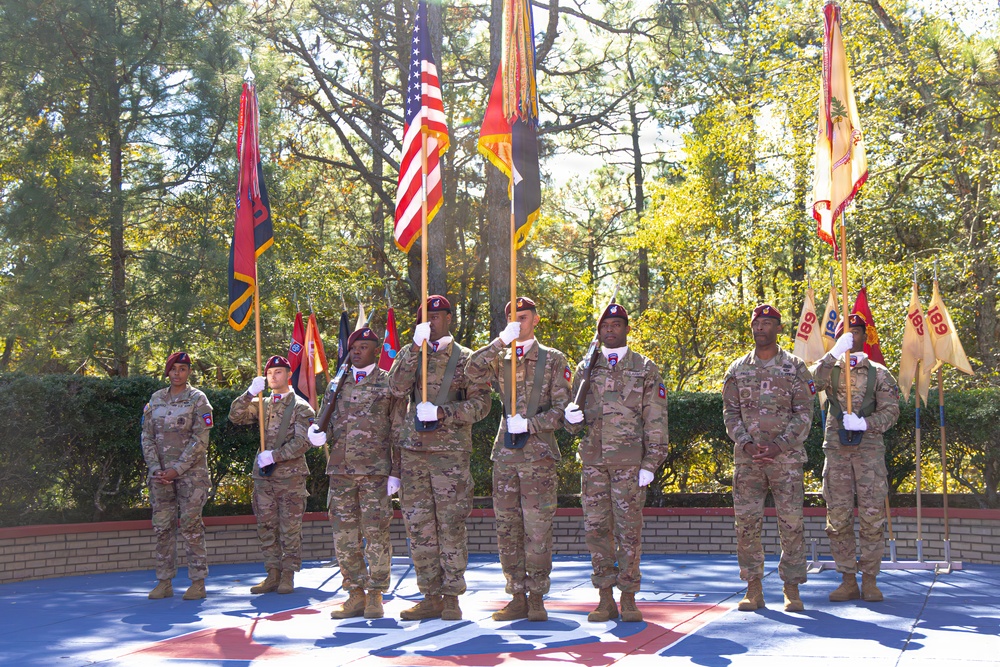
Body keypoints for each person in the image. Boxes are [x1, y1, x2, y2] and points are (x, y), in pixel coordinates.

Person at [466, 297, 572, 622]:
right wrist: (501, 340)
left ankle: (537, 596)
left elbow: (564, 412)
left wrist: (532, 423)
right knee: (507, 528)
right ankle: (516, 596)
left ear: (536, 320)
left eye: (524, 317)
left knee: (537, 530)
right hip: (506, 457)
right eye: (513, 317)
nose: (520, 322)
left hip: (538, 457)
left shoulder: (553, 360)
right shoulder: (501, 358)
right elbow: (469, 369)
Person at [387, 295, 492, 621]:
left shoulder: (467, 360)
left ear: (449, 318)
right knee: (418, 528)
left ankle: (451, 597)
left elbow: (482, 405)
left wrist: (444, 412)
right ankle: (430, 595)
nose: (432, 321)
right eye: (426, 316)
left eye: (438, 315)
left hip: (449, 456)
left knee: (450, 526)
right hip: (414, 455)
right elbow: (395, 387)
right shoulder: (411, 353)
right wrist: (413, 350)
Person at [563, 303, 669, 623]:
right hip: (594, 461)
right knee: (597, 531)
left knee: (629, 532)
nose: (610, 329)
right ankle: (605, 598)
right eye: (605, 325)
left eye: (616, 324)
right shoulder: (586, 368)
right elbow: (572, 420)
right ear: (599, 331)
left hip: (628, 464)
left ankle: (629, 596)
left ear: (626, 329)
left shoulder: (644, 368)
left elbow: (656, 418)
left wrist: (651, 462)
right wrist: (569, 418)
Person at [721, 304, 815, 612]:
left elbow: (804, 413)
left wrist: (780, 445)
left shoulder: (795, 367)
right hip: (747, 461)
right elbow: (730, 413)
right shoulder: (737, 369)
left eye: (767, 323)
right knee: (747, 525)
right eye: (756, 323)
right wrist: (746, 444)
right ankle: (753, 588)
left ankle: (792, 588)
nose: (760, 328)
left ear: (779, 328)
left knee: (791, 523)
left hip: (785, 461)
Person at [310, 327, 406, 620]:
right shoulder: (338, 383)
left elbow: (398, 428)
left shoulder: (388, 383)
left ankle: (376, 594)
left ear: (375, 351)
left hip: (375, 472)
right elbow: (325, 417)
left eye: (364, 347)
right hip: (340, 471)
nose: (357, 352)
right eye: (354, 347)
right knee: (344, 535)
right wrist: (317, 433)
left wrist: (396, 472)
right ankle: (355, 593)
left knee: (376, 533)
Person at [810, 312, 900, 602]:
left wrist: (866, 423)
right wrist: (832, 353)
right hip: (837, 453)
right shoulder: (832, 369)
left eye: (856, 331)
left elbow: (892, 412)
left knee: (873, 518)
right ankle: (847, 579)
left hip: (869, 454)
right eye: (845, 332)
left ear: (865, 336)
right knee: (838, 519)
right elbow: (808, 383)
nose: (851, 336)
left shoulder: (879, 372)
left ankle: (870, 580)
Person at [229, 355, 315, 595]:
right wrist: (248, 393)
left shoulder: (300, 407)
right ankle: (272, 573)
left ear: (288, 375)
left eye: (278, 372)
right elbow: (235, 417)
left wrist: (274, 456)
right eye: (269, 373)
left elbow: (303, 441)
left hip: (290, 477)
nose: (273, 377)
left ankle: (288, 575)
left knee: (290, 527)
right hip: (264, 477)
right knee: (266, 525)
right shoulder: (262, 403)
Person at [141, 351, 214, 601]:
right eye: (173, 369)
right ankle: (164, 581)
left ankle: (197, 582)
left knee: (192, 527)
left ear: (189, 372)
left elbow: (200, 439)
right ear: (167, 371)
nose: (177, 373)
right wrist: (155, 469)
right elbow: (147, 436)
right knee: (162, 528)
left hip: (191, 477)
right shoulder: (156, 399)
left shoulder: (198, 399)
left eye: (183, 369)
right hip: (160, 476)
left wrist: (177, 469)